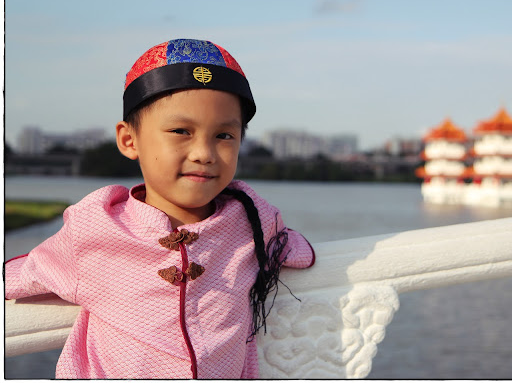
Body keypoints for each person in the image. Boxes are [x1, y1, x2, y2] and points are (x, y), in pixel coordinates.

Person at [4, 38, 316, 379]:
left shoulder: (252, 222)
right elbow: (25, 273)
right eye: (181, 131)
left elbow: (297, 251)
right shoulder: (95, 230)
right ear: (129, 140)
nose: (204, 153)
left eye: (225, 136)